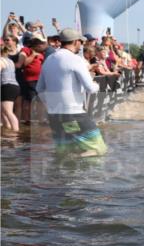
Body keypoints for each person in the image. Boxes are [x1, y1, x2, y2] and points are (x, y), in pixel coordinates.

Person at [34, 28, 107, 157]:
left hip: (55, 116)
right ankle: (85, 174)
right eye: (81, 42)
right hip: (73, 115)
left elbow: (39, 88)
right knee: (98, 150)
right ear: (75, 42)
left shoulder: (49, 60)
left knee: (66, 152)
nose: (82, 45)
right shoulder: (75, 59)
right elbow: (90, 88)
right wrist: (95, 84)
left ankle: (62, 176)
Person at [16, 32, 46, 123]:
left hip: (39, 80)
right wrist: (33, 55)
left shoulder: (42, 53)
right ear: (34, 42)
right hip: (30, 80)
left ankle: (41, 119)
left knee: (40, 100)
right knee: (29, 100)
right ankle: (27, 119)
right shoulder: (26, 50)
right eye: (39, 42)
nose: (41, 44)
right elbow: (24, 64)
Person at [1, 48, 19, 133]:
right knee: (3, 111)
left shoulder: (1, 60)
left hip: (7, 86)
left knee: (8, 112)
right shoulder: (10, 61)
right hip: (13, 86)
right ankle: (8, 130)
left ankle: (15, 132)